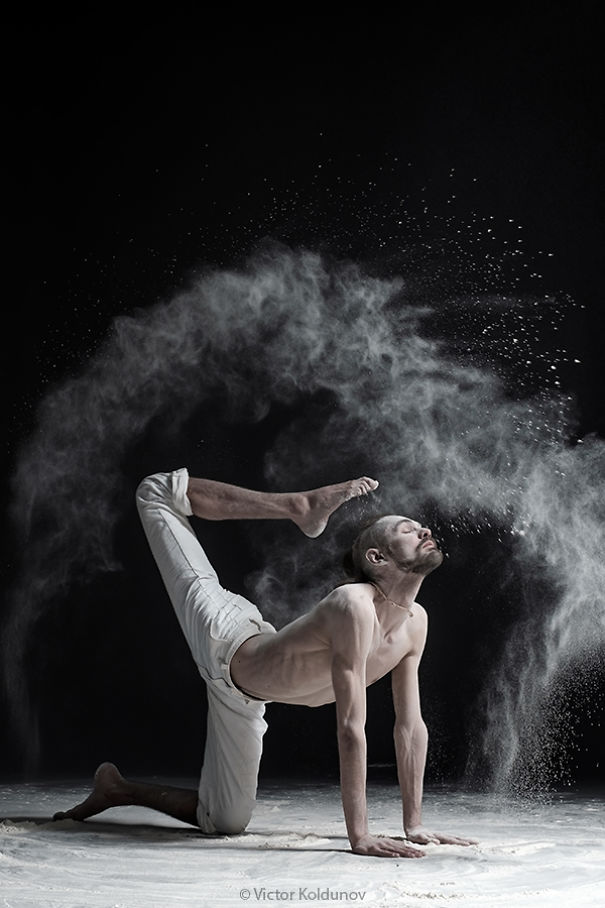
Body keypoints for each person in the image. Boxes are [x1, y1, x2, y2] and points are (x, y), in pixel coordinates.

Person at [53, 467, 477, 858]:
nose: (424, 530)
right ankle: (297, 505)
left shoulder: (416, 622)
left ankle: (118, 789)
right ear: (376, 558)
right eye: (407, 530)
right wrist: (359, 835)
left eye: (419, 527)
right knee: (155, 492)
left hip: (244, 698)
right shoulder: (354, 604)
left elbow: (410, 727)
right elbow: (351, 727)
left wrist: (413, 824)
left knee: (224, 821)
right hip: (225, 637)